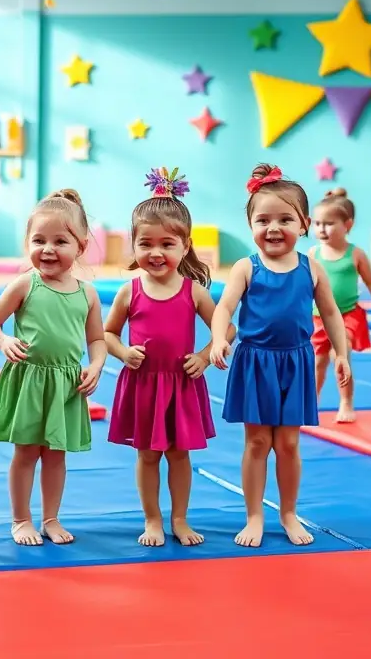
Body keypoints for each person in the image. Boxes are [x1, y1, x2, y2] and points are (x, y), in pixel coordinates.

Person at [209, 164, 350, 548]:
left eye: (285, 219)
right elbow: (224, 308)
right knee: (256, 443)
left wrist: (342, 353)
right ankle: (254, 515)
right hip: (255, 362)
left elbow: (332, 313)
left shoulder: (311, 267)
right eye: (263, 219)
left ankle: (288, 512)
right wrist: (219, 339)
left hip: (296, 362)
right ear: (250, 223)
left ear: (303, 224)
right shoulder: (246, 267)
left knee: (288, 443)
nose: (273, 228)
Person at [0, 189, 107, 547]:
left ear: (80, 246)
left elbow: (97, 340)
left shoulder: (88, 294)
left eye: (60, 241)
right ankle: (21, 519)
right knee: (26, 453)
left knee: (55, 455)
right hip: (29, 380)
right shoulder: (25, 283)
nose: (48, 249)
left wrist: (96, 365)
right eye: (39, 240)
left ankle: (51, 517)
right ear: (27, 242)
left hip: (66, 384)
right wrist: (3, 341)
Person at [104, 168, 218, 547]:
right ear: (133, 247)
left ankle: (180, 519)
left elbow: (226, 328)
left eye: (167, 244)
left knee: (179, 455)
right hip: (145, 385)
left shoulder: (193, 291)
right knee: (148, 455)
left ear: (185, 247)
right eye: (146, 244)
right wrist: (123, 352)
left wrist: (204, 355)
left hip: (181, 384)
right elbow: (105, 334)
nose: (156, 253)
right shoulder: (129, 291)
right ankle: (152, 519)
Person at [308, 187, 371, 422]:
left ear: (348, 225)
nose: (321, 229)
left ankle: (346, 402)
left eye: (328, 223)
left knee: (341, 354)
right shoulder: (313, 253)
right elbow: (304, 286)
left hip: (347, 314)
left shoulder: (355, 254)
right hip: (318, 316)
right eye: (317, 224)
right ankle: (312, 401)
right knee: (318, 362)